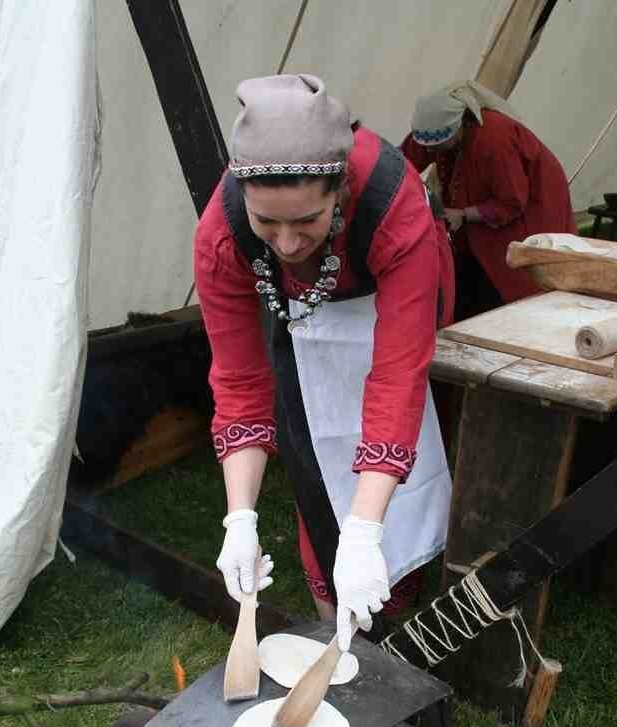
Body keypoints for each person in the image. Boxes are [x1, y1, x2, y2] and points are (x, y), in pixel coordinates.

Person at [194, 74, 454, 651]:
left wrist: (362, 534)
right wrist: (240, 520)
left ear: (339, 191)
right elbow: (239, 381)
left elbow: (397, 375)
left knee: (413, 437)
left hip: (389, 308)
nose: (285, 243)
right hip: (307, 313)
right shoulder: (223, 235)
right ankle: (339, 634)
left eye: (306, 222)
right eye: (268, 223)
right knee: (310, 450)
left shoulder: (392, 201)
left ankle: (400, 581)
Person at [402, 79, 575, 321]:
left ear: (460, 123)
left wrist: (463, 214)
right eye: (430, 147)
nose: (434, 151)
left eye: (441, 145)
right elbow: (404, 163)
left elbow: (511, 201)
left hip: (526, 212)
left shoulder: (494, 139)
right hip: (483, 205)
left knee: (510, 278)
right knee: (467, 275)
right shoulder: (432, 130)